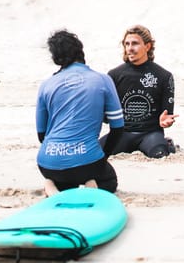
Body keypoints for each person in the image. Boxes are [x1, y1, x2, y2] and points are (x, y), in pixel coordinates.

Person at [36, 30, 125, 196]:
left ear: (56, 58)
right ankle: (90, 182)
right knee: (109, 181)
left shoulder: (46, 84)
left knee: (65, 179)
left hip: (47, 163)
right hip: (87, 163)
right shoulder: (102, 80)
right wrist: (102, 157)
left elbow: (42, 135)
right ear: (80, 51)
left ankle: (51, 184)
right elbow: (118, 128)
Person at [100, 25, 179, 158]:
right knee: (96, 153)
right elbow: (106, 116)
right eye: (127, 44)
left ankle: (167, 144)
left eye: (135, 43)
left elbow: (166, 114)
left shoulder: (164, 76)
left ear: (147, 47)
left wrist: (165, 121)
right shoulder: (114, 75)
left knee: (160, 154)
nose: (130, 48)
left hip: (150, 134)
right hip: (121, 133)